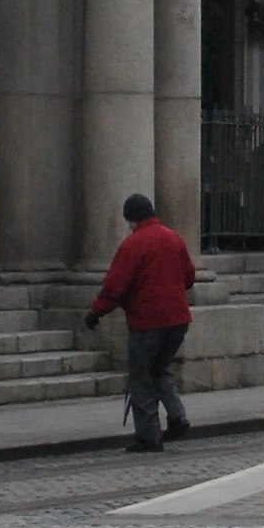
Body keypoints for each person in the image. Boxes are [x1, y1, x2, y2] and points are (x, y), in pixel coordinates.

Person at [85, 191, 197, 452]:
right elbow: (189, 277)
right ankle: (177, 417)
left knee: (140, 377)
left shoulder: (132, 245)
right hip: (178, 320)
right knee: (158, 369)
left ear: (132, 219)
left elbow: (115, 286)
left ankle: (149, 437)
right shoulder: (173, 238)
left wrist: (95, 312)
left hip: (148, 322)